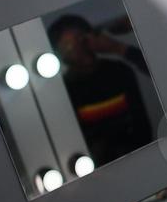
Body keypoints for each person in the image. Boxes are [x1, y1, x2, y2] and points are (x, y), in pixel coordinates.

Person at [47, 14, 155, 166]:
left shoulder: (119, 71)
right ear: (60, 53)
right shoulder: (65, 91)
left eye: (81, 39)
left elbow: (142, 124)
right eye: (69, 46)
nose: (79, 48)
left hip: (141, 159)